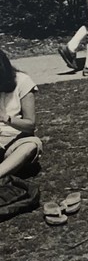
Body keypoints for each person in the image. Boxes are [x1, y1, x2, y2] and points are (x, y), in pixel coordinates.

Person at [0, 49, 42, 178]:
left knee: (31, 145)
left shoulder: (22, 81)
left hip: (15, 140)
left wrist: (6, 118)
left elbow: (30, 125)